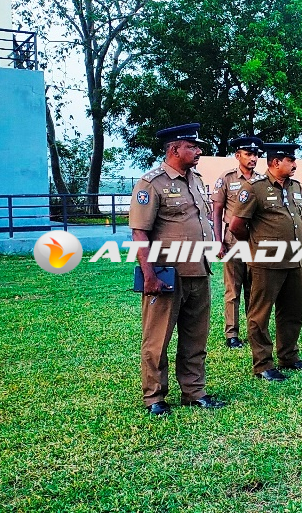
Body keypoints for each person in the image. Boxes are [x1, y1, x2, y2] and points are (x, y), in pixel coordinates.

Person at [129, 123, 226, 416]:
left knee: (195, 337)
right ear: (174, 149)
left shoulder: (195, 180)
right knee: (157, 340)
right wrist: (149, 276)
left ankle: (194, 392)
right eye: (192, 147)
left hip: (198, 270)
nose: (198, 151)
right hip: (167, 275)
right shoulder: (151, 183)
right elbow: (139, 233)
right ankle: (155, 397)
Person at [230, 142, 302, 382]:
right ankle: (263, 364)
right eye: (290, 160)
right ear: (276, 162)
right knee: (260, 315)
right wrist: (257, 245)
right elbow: (237, 226)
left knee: (292, 312)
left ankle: (289, 356)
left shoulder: (296, 187)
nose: (295, 164)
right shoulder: (254, 188)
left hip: (294, 260)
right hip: (266, 263)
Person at [211, 136, 264, 349]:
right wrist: (218, 241)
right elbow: (217, 211)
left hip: (255, 240)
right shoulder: (227, 178)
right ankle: (232, 333)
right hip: (232, 240)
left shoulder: (262, 180)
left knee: (255, 289)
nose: (253, 158)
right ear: (237, 155)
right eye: (248, 154)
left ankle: (254, 330)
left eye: (256, 155)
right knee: (233, 289)